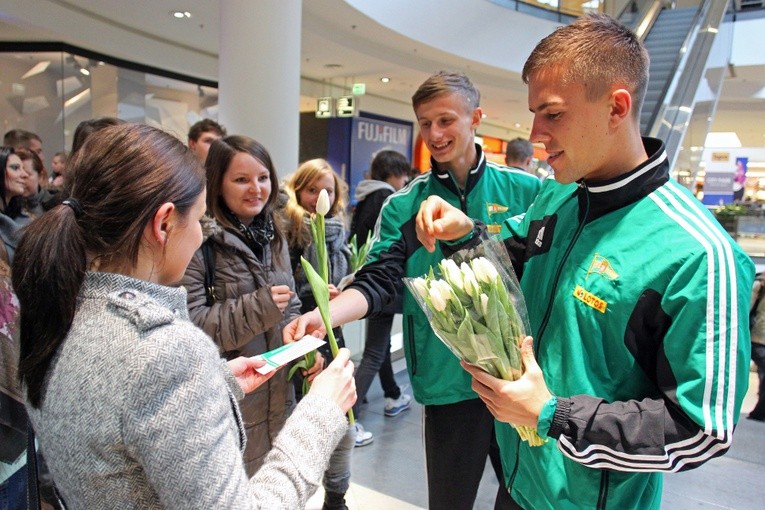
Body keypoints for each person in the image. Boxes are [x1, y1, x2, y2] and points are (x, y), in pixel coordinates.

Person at [414, 14, 755, 509]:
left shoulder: (699, 253)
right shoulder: (557, 201)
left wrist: (552, 415)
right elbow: (507, 261)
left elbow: (704, 428)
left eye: (552, 114)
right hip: (517, 483)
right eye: (535, 114)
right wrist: (465, 232)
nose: (535, 133)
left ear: (617, 107)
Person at [11, 123, 357, 509]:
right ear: (163, 224)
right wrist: (321, 412)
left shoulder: (59, 308)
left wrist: (218, 381)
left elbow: (118, 422)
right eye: (197, 219)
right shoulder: (163, 349)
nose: (198, 234)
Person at [286, 71, 541, 510]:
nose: (435, 134)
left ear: (475, 117)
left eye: (446, 121)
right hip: (448, 382)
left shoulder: (528, 191)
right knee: (449, 500)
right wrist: (324, 314)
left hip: (522, 381)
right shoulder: (404, 204)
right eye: (425, 123)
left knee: (527, 499)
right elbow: (380, 281)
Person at [179, 135, 307, 476]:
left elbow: (288, 303)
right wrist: (261, 306)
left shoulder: (274, 236)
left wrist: (302, 344)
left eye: (263, 178)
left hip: (279, 398)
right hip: (230, 403)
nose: (256, 189)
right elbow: (192, 326)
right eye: (241, 180)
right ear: (217, 184)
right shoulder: (198, 242)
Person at [280, 158, 356, 509]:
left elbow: (346, 271)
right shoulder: (291, 228)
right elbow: (287, 283)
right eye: (312, 189)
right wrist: (311, 287)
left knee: (343, 415)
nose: (319, 197)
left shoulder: (338, 228)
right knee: (309, 412)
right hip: (303, 331)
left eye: (327, 190)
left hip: (332, 330)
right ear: (298, 190)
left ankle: (337, 493)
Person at [348, 149, 412, 440]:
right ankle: (348, 416)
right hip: (380, 284)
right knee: (374, 350)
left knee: (379, 344)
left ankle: (393, 393)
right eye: (403, 175)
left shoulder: (363, 198)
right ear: (395, 173)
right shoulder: (387, 199)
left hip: (363, 283)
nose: (405, 181)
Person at [749, 274, 765, 421]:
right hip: (759, 339)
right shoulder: (759, 286)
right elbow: (747, 308)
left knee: (762, 375)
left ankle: (759, 411)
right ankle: (760, 412)